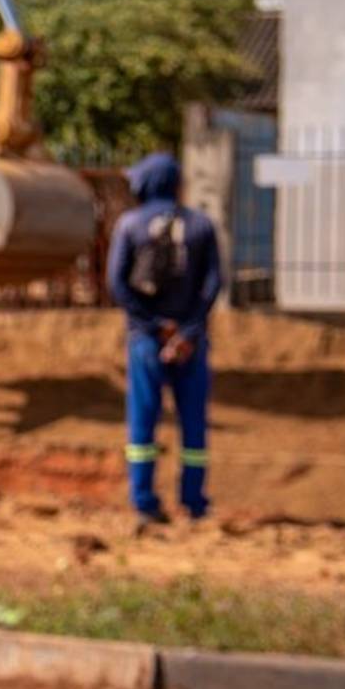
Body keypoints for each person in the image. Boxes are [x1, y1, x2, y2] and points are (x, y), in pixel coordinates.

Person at [106, 151, 222, 526]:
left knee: (142, 423)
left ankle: (144, 501)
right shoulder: (202, 226)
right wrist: (187, 331)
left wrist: (157, 327)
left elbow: (117, 284)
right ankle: (194, 502)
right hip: (192, 344)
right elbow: (213, 284)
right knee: (194, 425)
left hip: (146, 341)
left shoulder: (129, 225)